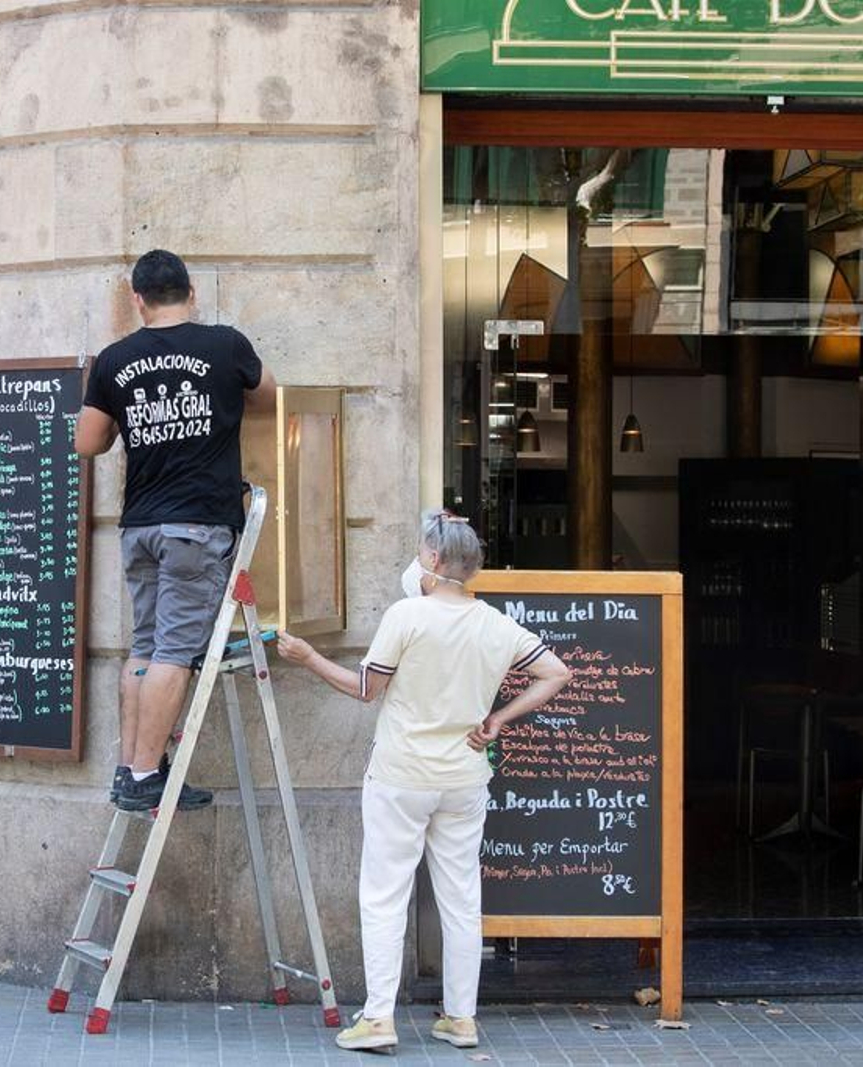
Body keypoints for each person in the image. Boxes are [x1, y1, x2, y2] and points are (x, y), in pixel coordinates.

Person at [277, 511, 572, 1053]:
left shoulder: (407, 616)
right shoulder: (497, 625)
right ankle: (461, 1020)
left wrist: (309, 657)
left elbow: (366, 688)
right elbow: (557, 673)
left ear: (434, 561)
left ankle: (378, 1019)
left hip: (400, 776)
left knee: (385, 896)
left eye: (420, 553)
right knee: (461, 900)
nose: (416, 561)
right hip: (464, 779)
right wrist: (500, 720)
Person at [75, 250, 276, 811]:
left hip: (140, 527)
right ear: (192, 293)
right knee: (176, 654)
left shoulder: (114, 359)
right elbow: (274, 398)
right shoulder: (225, 345)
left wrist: (129, 416)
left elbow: (87, 443)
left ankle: (128, 769)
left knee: (144, 646)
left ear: (136, 299)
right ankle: (145, 775)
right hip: (197, 527)